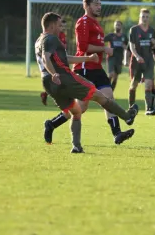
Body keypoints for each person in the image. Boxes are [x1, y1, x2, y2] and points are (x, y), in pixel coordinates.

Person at [35, 12, 138, 153]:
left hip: (48, 84)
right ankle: (127, 116)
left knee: (76, 112)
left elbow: (64, 58)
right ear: (52, 25)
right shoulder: (51, 38)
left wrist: (88, 58)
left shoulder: (39, 41)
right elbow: (47, 59)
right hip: (64, 78)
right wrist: (55, 74)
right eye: (59, 25)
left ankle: (76, 146)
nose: (61, 28)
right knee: (99, 96)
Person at [69, 0, 135, 144]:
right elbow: (83, 47)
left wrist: (103, 50)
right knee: (81, 107)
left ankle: (117, 133)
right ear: (86, 6)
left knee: (108, 98)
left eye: (100, 4)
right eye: (95, 4)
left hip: (96, 68)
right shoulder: (83, 22)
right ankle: (53, 123)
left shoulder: (97, 23)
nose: (99, 7)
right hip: (85, 68)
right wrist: (104, 49)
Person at [127, 8, 155, 115]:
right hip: (137, 62)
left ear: (149, 18)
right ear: (139, 17)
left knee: (148, 85)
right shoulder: (134, 30)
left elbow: (154, 50)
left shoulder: (152, 31)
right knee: (133, 86)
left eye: (147, 17)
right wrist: (137, 56)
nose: (145, 19)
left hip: (149, 61)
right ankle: (131, 108)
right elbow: (131, 47)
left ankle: (149, 109)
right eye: (143, 17)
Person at [40, 19, 68, 106]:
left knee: (60, 79)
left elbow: (64, 45)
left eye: (64, 26)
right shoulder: (52, 36)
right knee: (59, 78)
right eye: (61, 26)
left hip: (61, 57)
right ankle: (60, 99)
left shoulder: (62, 35)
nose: (63, 28)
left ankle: (48, 95)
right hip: (55, 60)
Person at [104, 20, 128, 92]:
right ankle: (106, 89)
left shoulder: (124, 37)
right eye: (116, 25)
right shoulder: (111, 35)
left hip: (119, 58)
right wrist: (105, 49)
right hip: (111, 57)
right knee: (111, 74)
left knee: (115, 77)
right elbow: (101, 41)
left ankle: (111, 92)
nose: (117, 26)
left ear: (121, 26)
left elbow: (127, 48)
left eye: (119, 25)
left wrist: (125, 48)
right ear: (114, 26)